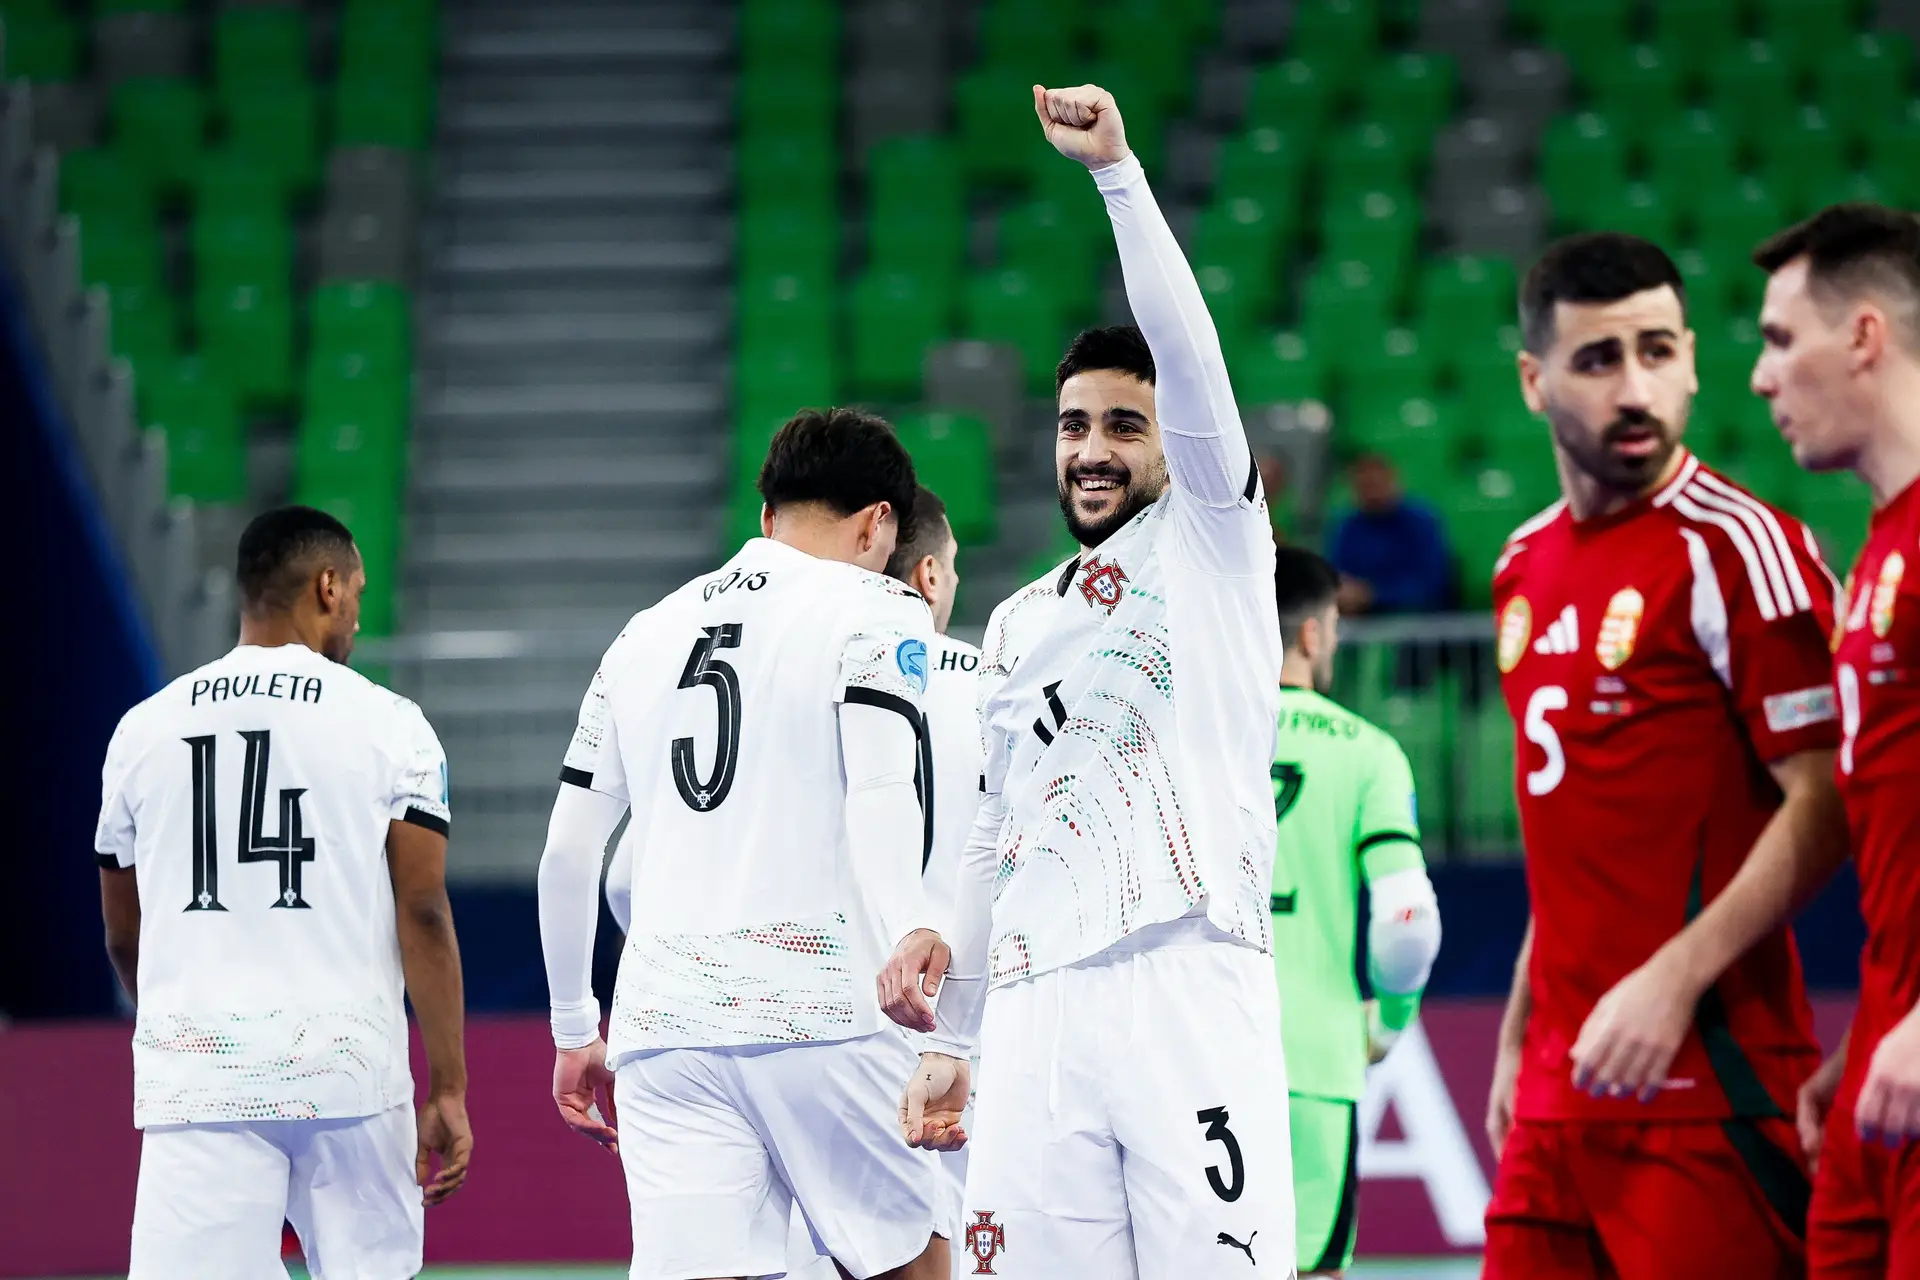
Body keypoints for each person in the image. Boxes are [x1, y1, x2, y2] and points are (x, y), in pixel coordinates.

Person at [878, 84, 1292, 1277]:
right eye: (1073, 426)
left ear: (1175, 443)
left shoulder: (1216, 541)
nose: (1093, 448)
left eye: (1124, 424)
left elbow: (1195, 362)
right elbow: (988, 831)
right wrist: (952, 1037)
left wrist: (1118, 175)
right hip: (1035, 1006)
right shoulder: (1010, 623)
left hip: (1188, 973)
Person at [1482, 232, 1849, 1279]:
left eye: (1657, 351)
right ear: (1533, 380)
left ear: (1693, 357)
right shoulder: (1521, 563)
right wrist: (1516, 1033)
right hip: (1557, 1096)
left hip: (1710, 1086)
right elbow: (1573, 844)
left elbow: (1826, 798)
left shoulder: (1737, 544)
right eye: (1599, 359)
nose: (1635, 386)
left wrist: (1671, 984)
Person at [537, 408, 950, 1280]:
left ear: (766, 516)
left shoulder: (642, 632)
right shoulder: (878, 606)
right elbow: (881, 790)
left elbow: (570, 850)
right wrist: (910, 923)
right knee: (910, 1264)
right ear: (880, 522)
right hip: (818, 1011)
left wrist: (576, 1027)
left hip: (663, 1026)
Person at [95, 505, 472, 1279]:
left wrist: (175, 1023)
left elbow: (124, 938)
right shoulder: (390, 724)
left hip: (201, 1080)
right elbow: (424, 911)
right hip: (350, 1078)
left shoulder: (141, 731)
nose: (359, 619)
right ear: (327, 587)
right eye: (358, 595)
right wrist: (450, 1086)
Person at [1750, 203, 1920, 1276]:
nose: (1761, 378)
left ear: (1864, 334)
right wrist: (1873, 1032)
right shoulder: (1875, 558)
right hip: (1884, 1064)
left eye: (1778, 339)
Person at [784, 486, 984, 1280]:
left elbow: (627, 881)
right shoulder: (999, 684)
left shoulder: (789, 686)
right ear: (929, 575)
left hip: (828, 1025)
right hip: (968, 1029)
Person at [1268, 546, 1442, 1277]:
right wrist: (1391, 1020)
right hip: (1313, 1056)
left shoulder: (1185, 740)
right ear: (1313, 635)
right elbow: (1406, 920)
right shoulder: (1368, 752)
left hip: (1191, 1050)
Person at [1325, 452, 1452, 616]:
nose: (1371, 492)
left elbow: (1431, 583)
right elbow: (1337, 575)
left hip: (1420, 620)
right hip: (1361, 623)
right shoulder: (1347, 526)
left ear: (1392, 481)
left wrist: (1373, 595)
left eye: (1375, 484)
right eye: (1363, 486)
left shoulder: (1421, 521)